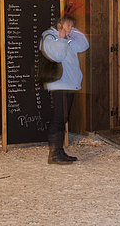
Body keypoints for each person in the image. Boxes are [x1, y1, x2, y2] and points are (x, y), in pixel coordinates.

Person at [41, 15, 89, 165]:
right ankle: (54, 154)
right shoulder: (48, 37)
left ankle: (59, 151)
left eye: (72, 26)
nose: (70, 29)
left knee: (62, 119)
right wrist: (61, 38)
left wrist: (71, 32)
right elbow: (57, 56)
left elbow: (84, 45)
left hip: (69, 83)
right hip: (59, 84)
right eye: (67, 25)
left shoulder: (69, 37)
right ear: (59, 25)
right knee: (58, 118)